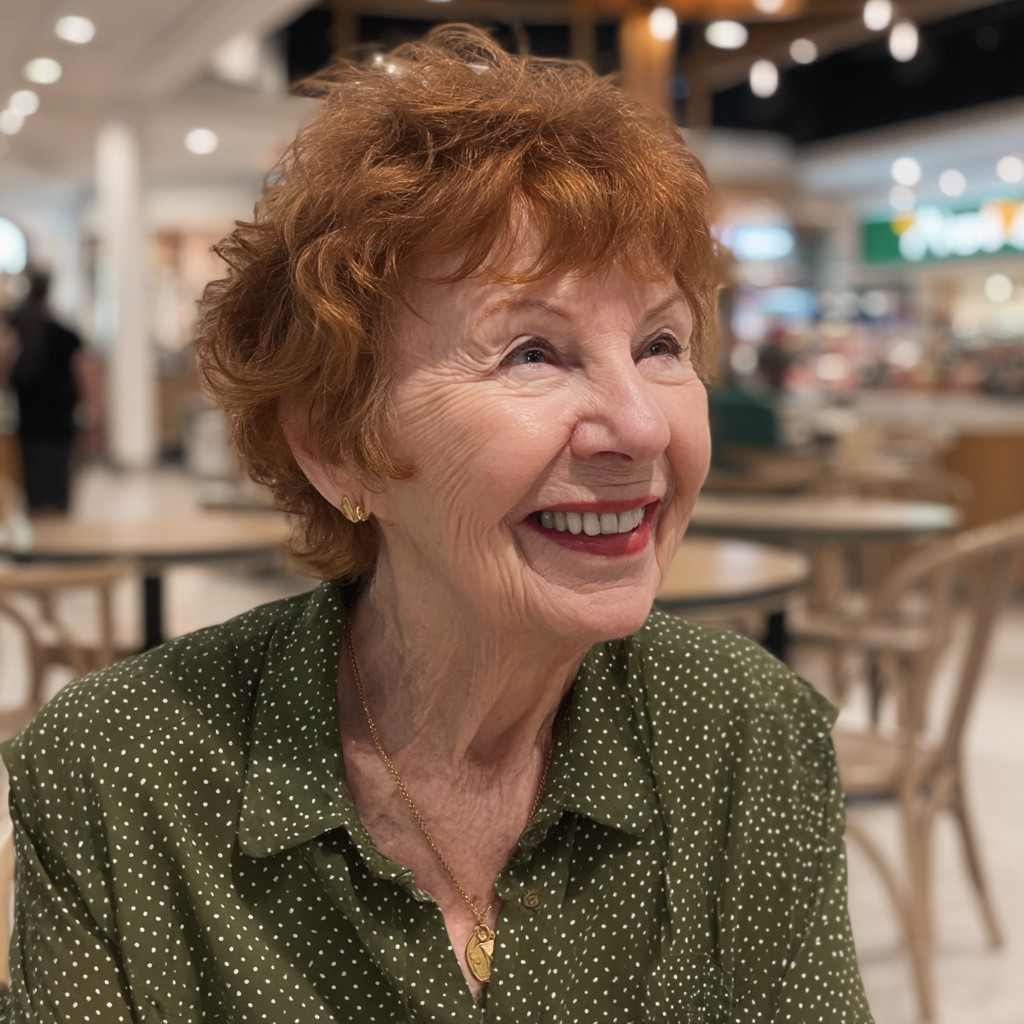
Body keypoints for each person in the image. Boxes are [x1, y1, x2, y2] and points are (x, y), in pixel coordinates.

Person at [0, 25, 874, 1023]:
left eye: (660, 342)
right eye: (533, 352)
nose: (639, 425)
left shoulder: (745, 734)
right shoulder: (121, 773)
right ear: (338, 443)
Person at [0, 270, 102, 514]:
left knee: (34, 488)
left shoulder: (19, 331)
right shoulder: (64, 334)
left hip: (31, 421)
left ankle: (41, 537)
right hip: (60, 422)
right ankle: (58, 536)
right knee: (58, 486)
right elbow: (86, 375)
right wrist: (95, 416)